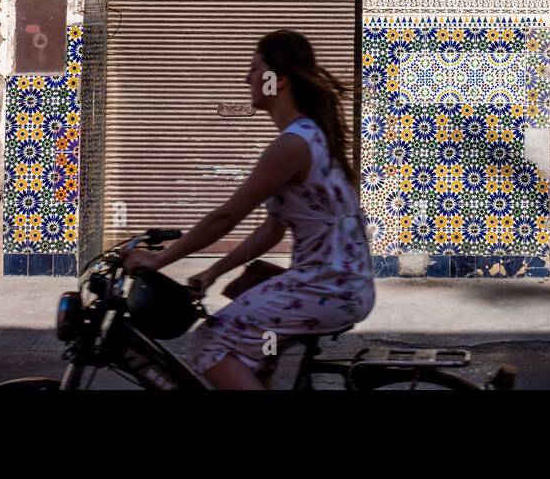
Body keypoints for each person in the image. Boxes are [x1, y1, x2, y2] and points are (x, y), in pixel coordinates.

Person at [121, 29, 375, 389]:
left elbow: (226, 217)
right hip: (339, 285)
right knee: (249, 356)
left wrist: (158, 260)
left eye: (254, 68)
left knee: (209, 344)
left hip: (328, 287)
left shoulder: (293, 144)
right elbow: (270, 231)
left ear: (279, 79)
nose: (246, 78)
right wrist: (213, 273)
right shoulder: (312, 134)